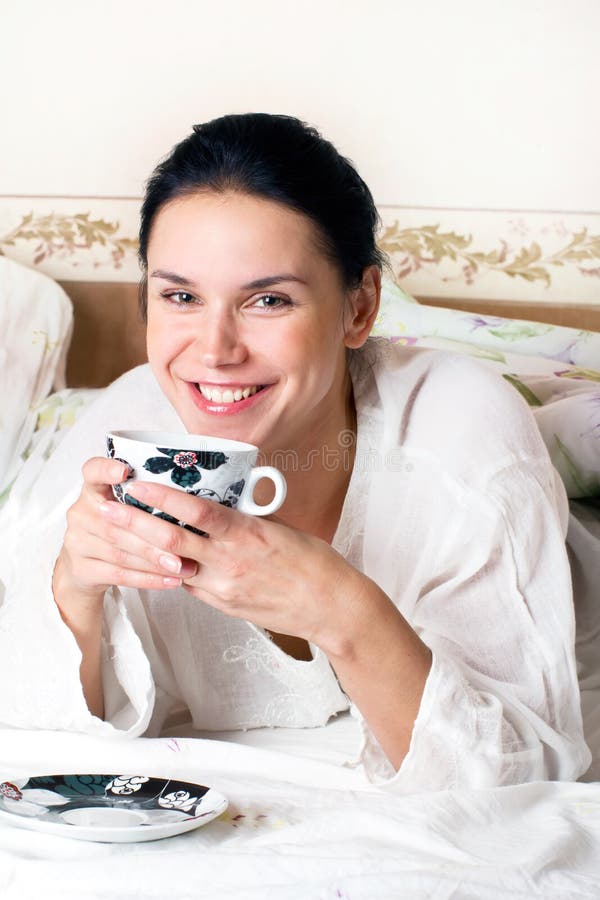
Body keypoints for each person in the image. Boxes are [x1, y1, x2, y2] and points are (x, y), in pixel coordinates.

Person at [0, 113, 590, 790]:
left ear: (360, 307)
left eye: (268, 300)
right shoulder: (127, 425)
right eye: (181, 296)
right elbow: (25, 739)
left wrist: (342, 610)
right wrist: (74, 589)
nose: (215, 350)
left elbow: (524, 780)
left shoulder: (460, 432)